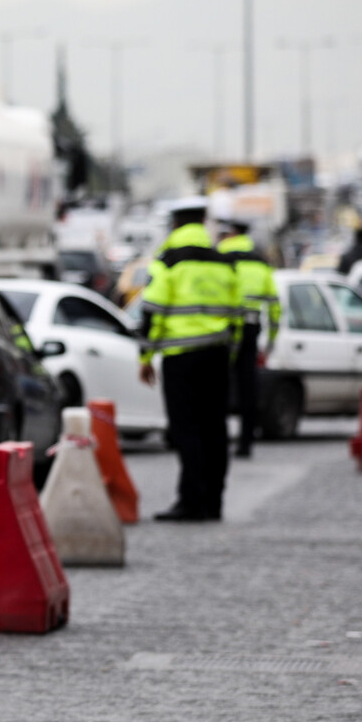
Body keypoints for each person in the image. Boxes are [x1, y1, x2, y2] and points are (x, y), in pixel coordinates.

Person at [138, 198, 241, 521]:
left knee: (187, 430)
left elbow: (152, 310)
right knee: (215, 429)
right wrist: (231, 354)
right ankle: (214, 502)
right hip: (217, 357)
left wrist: (146, 356)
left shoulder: (168, 261)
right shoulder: (223, 262)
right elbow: (238, 316)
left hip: (181, 359)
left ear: (175, 225)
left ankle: (191, 501)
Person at [218, 219, 279, 458]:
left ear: (232, 233)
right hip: (252, 329)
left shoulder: (221, 256)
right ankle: (246, 442)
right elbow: (274, 306)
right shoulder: (261, 263)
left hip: (225, 330)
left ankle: (220, 440)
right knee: (248, 387)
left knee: (221, 385)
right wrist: (272, 339)